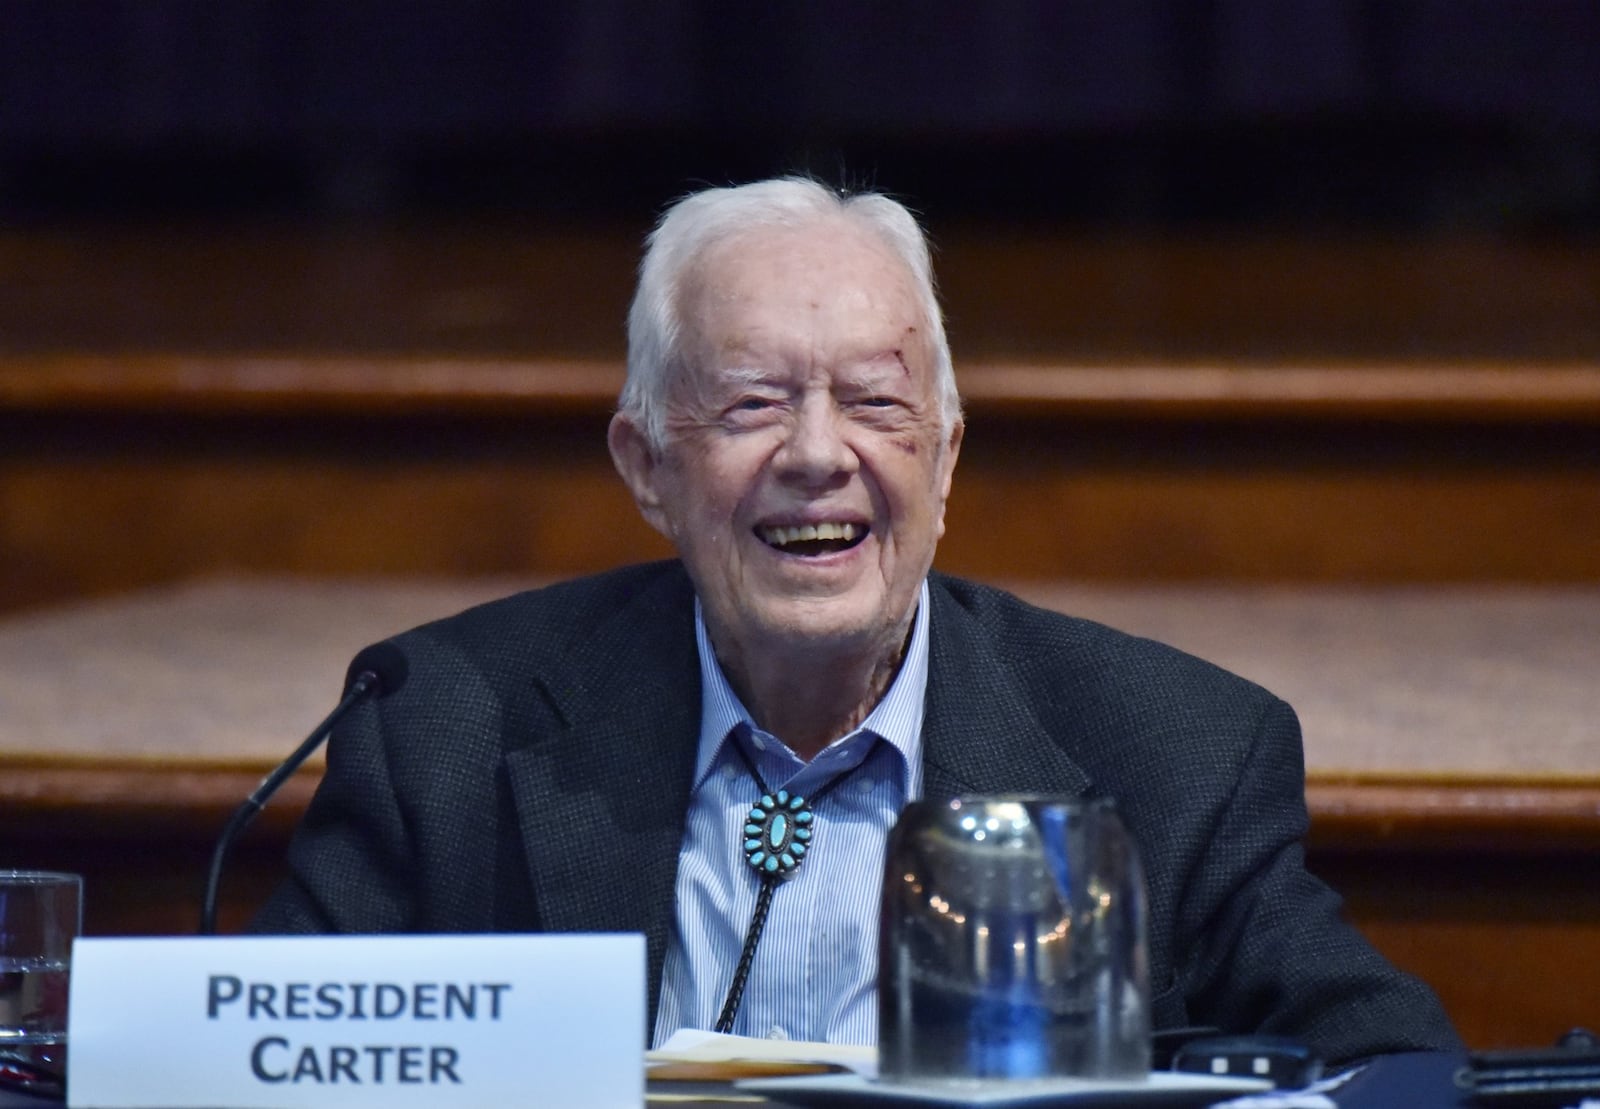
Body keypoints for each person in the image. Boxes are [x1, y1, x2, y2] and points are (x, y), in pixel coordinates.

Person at [253, 176, 1459, 1064]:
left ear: (943, 458)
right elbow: (260, 1057)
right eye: (751, 404)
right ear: (645, 465)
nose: (818, 455)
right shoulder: (446, 722)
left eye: (876, 404)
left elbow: (1391, 1059)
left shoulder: (1176, 750)